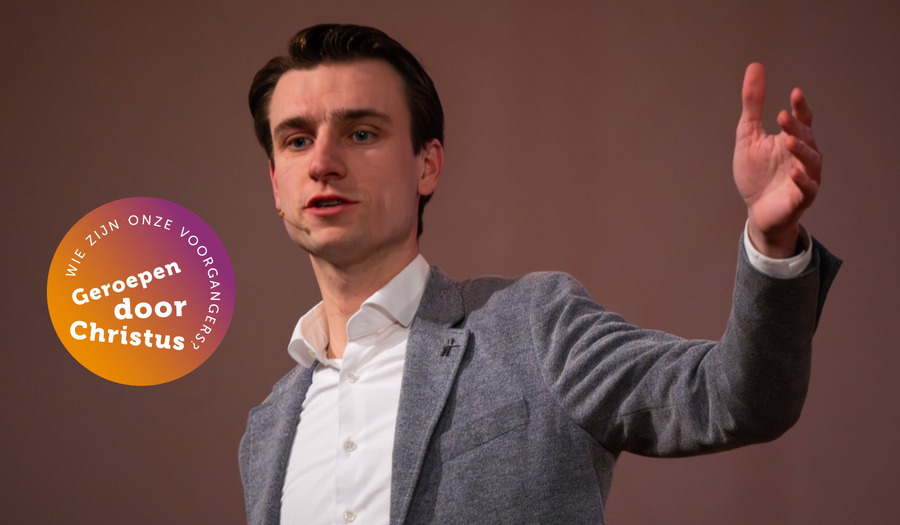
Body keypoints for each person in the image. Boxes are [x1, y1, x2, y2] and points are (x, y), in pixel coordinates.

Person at [239, 24, 840, 525]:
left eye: (361, 133)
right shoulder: (265, 434)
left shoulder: (532, 327)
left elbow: (733, 397)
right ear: (275, 185)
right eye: (297, 140)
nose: (322, 162)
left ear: (427, 165)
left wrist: (771, 243)